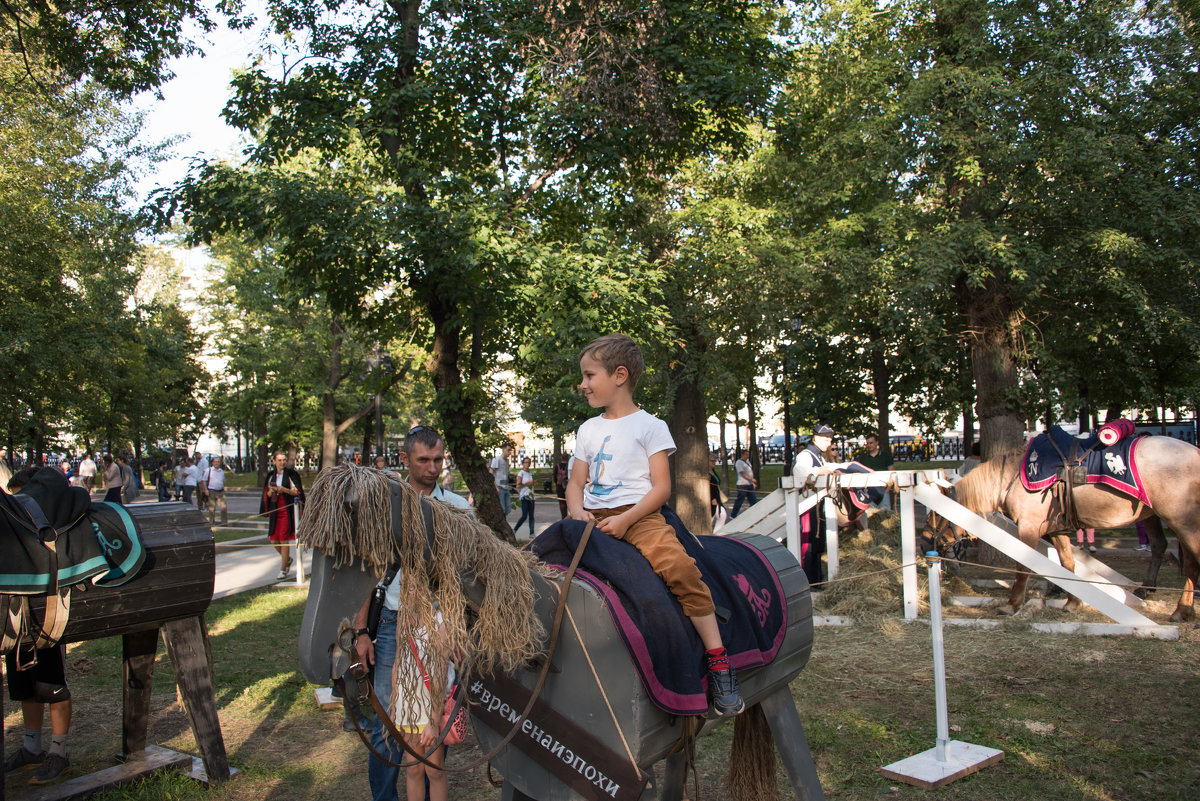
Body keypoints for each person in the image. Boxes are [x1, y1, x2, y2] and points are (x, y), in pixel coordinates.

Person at [566, 333, 743, 717]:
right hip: (589, 518)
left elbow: (661, 487)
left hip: (639, 515)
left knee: (680, 570)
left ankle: (718, 660)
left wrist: (626, 519)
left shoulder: (651, 426)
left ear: (619, 375)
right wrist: (577, 510)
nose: (582, 384)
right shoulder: (588, 430)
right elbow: (575, 482)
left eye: (589, 375)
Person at [353, 426, 469, 801]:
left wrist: (457, 631)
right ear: (405, 459)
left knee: (435, 719)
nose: (433, 468)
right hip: (391, 623)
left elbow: (467, 577)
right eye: (423, 460)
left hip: (440, 624)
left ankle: (430, 784)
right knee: (387, 721)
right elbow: (367, 574)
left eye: (438, 459)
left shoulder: (457, 507)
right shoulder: (386, 506)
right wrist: (360, 632)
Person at [3, 468, 73, 785]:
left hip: (46, 618)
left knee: (51, 684)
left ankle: (58, 752)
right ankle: (32, 747)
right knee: (23, 687)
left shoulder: (48, 529)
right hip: (15, 620)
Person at [793, 424, 838, 585]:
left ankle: (816, 579)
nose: (829, 442)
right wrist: (819, 471)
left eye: (830, 439)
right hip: (808, 505)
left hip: (818, 504)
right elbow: (799, 471)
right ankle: (807, 581)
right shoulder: (806, 455)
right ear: (817, 438)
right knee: (808, 543)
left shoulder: (819, 456)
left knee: (817, 543)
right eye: (826, 439)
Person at [261, 452, 305, 580]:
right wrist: (271, 491)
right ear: (274, 462)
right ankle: (287, 560)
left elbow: (298, 493)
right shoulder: (270, 476)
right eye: (279, 460)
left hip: (287, 510)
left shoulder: (291, 474)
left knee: (283, 539)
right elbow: (266, 495)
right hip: (275, 509)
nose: (282, 463)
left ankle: (283, 569)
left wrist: (284, 490)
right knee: (273, 539)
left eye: (284, 460)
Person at [855, 432, 895, 509]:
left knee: (885, 516)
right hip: (868, 492)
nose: (869, 445)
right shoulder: (863, 457)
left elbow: (892, 474)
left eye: (871, 443)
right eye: (867, 443)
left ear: (877, 443)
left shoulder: (885, 456)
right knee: (869, 517)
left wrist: (887, 491)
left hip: (883, 490)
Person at [512, 456, 536, 538]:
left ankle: (531, 533)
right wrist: (527, 483)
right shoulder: (521, 473)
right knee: (524, 515)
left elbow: (534, 484)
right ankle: (515, 529)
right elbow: (518, 486)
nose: (527, 464)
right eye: (526, 462)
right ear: (523, 464)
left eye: (529, 462)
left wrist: (534, 483)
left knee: (531, 516)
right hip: (524, 496)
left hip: (531, 496)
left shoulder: (531, 473)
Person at [731, 449, 757, 518]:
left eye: (748, 454)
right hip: (742, 485)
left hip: (749, 484)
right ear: (742, 454)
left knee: (753, 500)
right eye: (746, 454)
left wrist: (752, 482)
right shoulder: (739, 462)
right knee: (740, 500)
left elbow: (749, 471)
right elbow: (742, 473)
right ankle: (733, 514)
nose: (747, 456)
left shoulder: (747, 461)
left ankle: (756, 514)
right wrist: (751, 479)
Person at [204, 456, 229, 525]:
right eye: (215, 462)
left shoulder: (221, 471)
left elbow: (223, 480)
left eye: (218, 462)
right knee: (212, 508)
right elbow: (204, 480)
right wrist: (206, 490)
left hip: (220, 491)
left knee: (223, 507)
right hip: (212, 491)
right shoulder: (208, 470)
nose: (217, 463)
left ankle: (224, 522)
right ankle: (211, 522)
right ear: (212, 463)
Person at [489, 442, 513, 515]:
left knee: (508, 509)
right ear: (503, 449)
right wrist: (496, 488)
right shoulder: (497, 459)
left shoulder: (506, 461)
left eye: (510, 450)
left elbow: (505, 474)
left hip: (505, 487)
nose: (510, 452)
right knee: (502, 509)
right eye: (508, 450)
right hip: (499, 487)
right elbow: (491, 474)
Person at [709, 453, 728, 529]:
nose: (714, 463)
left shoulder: (712, 471)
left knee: (722, 515)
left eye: (715, 461)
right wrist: (711, 498)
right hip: (711, 499)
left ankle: (716, 535)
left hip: (716, 498)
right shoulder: (706, 473)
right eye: (712, 461)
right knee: (710, 519)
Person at [553, 454, 570, 519]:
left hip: (559, 486)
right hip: (568, 486)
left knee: (562, 503)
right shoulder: (569, 466)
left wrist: (557, 483)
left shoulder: (557, 466)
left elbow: (554, 477)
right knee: (569, 502)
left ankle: (564, 516)